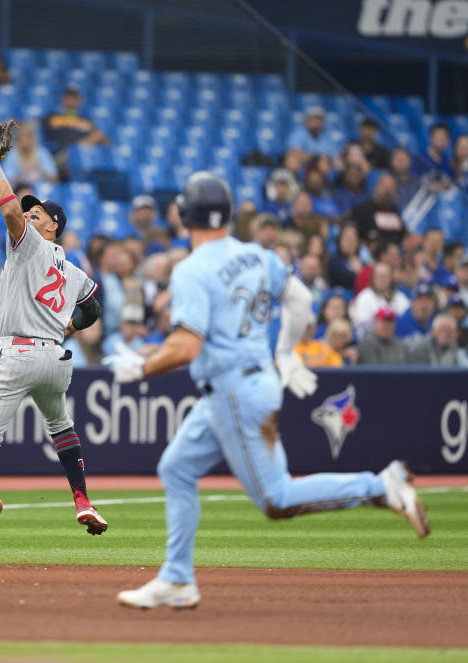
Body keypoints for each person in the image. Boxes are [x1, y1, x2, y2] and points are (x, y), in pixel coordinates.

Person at [104, 171, 429, 611]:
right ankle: (177, 578)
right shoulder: (255, 255)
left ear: (183, 214)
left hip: (235, 390)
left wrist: (140, 367)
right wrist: (286, 351)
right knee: (176, 468)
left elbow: (186, 345)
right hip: (247, 382)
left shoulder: (192, 270)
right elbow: (301, 301)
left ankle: (380, 485)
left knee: (275, 498)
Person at [0, 142, 107, 557]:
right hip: (54, 360)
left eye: (38, 213)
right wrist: (68, 324)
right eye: (30, 211)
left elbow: (8, 211)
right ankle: (83, 501)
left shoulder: (29, 243)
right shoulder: (75, 270)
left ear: (52, 227)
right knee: (61, 427)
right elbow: (93, 308)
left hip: (15, 353)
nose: (29, 213)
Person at [43, 85, 111, 157]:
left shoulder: (85, 119)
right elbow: (34, 127)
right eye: (68, 97)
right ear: (62, 99)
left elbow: (105, 141)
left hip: (83, 153)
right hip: (61, 153)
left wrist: (86, 142)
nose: (71, 100)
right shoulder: (52, 117)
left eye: (74, 98)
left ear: (80, 100)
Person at [350, 262, 410, 337]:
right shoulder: (365, 297)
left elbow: (408, 320)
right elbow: (361, 326)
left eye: (385, 276)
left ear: (391, 278)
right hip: (372, 340)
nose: (382, 279)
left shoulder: (400, 297)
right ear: (373, 278)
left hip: (398, 339)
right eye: (379, 276)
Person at [350, 174, 405, 248]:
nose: (387, 193)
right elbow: (354, 234)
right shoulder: (363, 209)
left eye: (390, 190)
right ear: (377, 187)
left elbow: (403, 235)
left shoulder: (395, 212)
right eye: (385, 188)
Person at [3, 122, 58, 186]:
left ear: (32, 138)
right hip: (20, 190)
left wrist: (39, 169)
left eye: (26, 138)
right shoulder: (13, 155)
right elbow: (6, 183)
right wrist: (23, 172)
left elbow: (54, 179)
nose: (24, 142)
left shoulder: (42, 153)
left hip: (42, 190)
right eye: (21, 139)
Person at [395, 283, 435, 347]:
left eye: (427, 300)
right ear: (412, 303)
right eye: (420, 300)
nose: (424, 305)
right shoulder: (398, 324)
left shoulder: (437, 324)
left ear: (433, 304)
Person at [327, 224, 363, 291]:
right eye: (347, 239)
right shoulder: (333, 261)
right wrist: (358, 273)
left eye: (353, 239)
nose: (350, 242)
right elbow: (344, 279)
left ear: (358, 242)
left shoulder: (363, 262)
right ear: (340, 241)